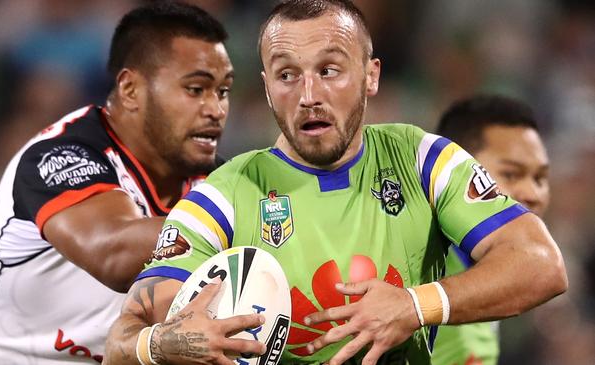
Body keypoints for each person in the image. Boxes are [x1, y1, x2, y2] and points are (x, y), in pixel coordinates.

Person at [104, 1, 568, 364]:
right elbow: (123, 340)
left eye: (329, 70)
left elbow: (541, 264)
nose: (309, 96)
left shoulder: (421, 158)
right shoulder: (222, 195)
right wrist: (167, 343)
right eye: (287, 75)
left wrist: (414, 305)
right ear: (267, 88)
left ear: (371, 75)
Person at [0, 2, 263, 363]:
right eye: (195, 89)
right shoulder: (61, 156)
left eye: (223, 91)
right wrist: (251, 226)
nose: (216, 109)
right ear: (130, 89)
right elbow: (114, 255)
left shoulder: (217, 184)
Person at [431, 94, 550, 365]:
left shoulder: (494, 274)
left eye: (541, 178)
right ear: (457, 175)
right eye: (510, 174)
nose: (533, 193)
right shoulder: (412, 265)